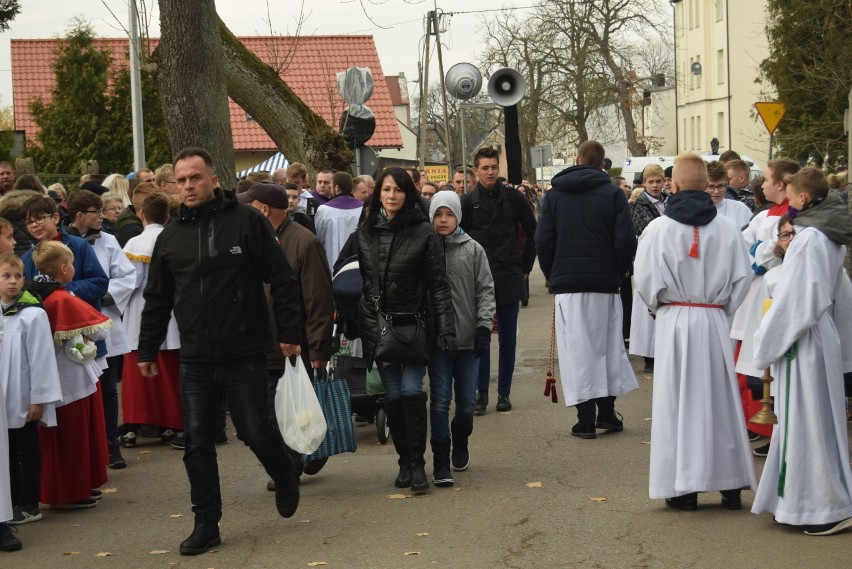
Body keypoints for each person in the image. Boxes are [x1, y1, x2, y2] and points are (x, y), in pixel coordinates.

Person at [137, 147, 302, 555]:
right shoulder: (171, 237)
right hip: (195, 358)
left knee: (253, 430)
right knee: (196, 441)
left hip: (244, 351)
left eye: (196, 177)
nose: (189, 185)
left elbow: (281, 278)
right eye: (182, 180)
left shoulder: (246, 222)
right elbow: (157, 298)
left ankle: (284, 471)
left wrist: (290, 332)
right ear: (175, 186)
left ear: (213, 180)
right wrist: (147, 349)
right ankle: (206, 523)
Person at [635, 153, 756, 512]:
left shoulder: (658, 229)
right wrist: (721, 310)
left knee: (679, 404)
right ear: (706, 185)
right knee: (719, 402)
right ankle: (730, 484)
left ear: (673, 184)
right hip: (714, 320)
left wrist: (662, 308)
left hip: (675, 322)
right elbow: (742, 279)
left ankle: (683, 488)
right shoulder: (728, 228)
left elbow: (644, 280)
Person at [751, 167, 852, 535]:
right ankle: (797, 502)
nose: (788, 201)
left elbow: (798, 301)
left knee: (809, 424)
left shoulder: (810, 238)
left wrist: (764, 345)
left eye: (791, 194)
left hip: (803, 338)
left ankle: (824, 507)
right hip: (815, 335)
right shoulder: (826, 234)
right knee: (808, 421)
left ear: (804, 199)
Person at [357, 167, 455, 495]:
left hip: (415, 325)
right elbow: (351, 274)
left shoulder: (423, 232)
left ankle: (417, 465)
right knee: (393, 395)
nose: (391, 195)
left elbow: (438, 284)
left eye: (397, 190)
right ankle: (403, 461)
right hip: (380, 326)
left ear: (407, 193)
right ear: (378, 193)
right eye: (386, 190)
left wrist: (445, 328)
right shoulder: (366, 230)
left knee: (413, 391)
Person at [536, 140, 638, 439]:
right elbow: (625, 239)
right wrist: (619, 270)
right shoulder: (612, 194)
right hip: (605, 283)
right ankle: (606, 411)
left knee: (576, 352)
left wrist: (553, 273)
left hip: (569, 285)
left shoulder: (554, 196)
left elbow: (543, 240)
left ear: (577, 159)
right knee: (607, 347)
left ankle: (586, 418)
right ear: (602, 164)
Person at [241, 182, 334, 487]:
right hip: (259, 344)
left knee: (289, 411)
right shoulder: (253, 241)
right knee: (262, 417)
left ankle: (289, 469)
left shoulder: (304, 242)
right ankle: (299, 457)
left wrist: (319, 349)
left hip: (293, 346)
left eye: (250, 206)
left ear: (264, 209)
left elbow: (318, 299)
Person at [28, 241, 113, 510]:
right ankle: (69, 492)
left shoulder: (40, 294)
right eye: (73, 264)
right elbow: (99, 329)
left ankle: (76, 486)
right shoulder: (63, 298)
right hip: (70, 376)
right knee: (73, 436)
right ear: (64, 269)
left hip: (59, 373)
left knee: (66, 436)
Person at [460, 148, 536, 414]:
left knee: (507, 339)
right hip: (477, 279)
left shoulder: (514, 199)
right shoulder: (467, 203)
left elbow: (532, 230)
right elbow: (460, 239)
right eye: (485, 168)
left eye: (494, 167)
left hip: (508, 275)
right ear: (476, 171)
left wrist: (525, 266)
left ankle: (504, 392)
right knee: (481, 338)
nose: (490, 172)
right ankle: (481, 394)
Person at [427, 191, 495, 486]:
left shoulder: (473, 249)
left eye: (449, 215)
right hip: (437, 341)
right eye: (438, 215)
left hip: (468, 339)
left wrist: (483, 326)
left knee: (466, 402)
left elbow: (485, 290)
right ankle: (440, 457)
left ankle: (461, 438)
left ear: (458, 217)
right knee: (440, 400)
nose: (443, 220)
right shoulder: (424, 248)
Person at [65, 190, 137, 469]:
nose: (102, 215)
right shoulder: (62, 242)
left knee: (107, 386)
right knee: (80, 387)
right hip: (71, 324)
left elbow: (126, 275)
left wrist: (101, 296)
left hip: (102, 318)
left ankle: (111, 443)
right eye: (97, 211)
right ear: (81, 215)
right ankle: (85, 447)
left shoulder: (108, 241)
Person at [733, 158, 800, 453]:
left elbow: (775, 252)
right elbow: (744, 244)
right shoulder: (765, 214)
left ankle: (772, 430)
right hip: (754, 291)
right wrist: (757, 251)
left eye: (768, 179)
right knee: (748, 362)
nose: (762, 184)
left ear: (782, 185)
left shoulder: (792, 215)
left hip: (774, 291)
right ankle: (755, 423)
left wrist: (759, 251)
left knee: (769, 363)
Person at [0, 251, 62, 529]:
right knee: (7, 452)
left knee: (26, 449)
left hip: (24, 397)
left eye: (17, 276)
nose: (13, 282)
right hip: (2, 399)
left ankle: (29, 502)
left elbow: (42, 358)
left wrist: (39, 399)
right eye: (6, 276)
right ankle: (10, 501)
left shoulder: (32, 314)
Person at [120, 193, 183, 450]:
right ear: (168, 216)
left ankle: (134, 425)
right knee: (168, 371)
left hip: (138, 312)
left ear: (141, 214)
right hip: (170, 313)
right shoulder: (174, 239)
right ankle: (171, 422)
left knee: (137, 373)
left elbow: (128, 283)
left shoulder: (133, 244)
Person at [629, 164, 667, 372]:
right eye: (651, 182)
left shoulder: (668, 201)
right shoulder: (639, 205)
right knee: (646, 308)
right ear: (644, 183)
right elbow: (647, 231)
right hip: (649, 260)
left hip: (667, 261)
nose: (655, 185)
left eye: (658, 181)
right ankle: (648, 356)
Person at [315, 172, 363, 270]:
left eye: (331, 187)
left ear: (336, 188)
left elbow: (319, 239)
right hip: (358, 261)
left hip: (332, 262)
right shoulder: (363, 208)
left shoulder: (324, 210)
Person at [706, 161, 751, 228]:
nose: (716, 191)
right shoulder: (696, 210)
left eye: (720, 186)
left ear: (726, 185)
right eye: (711, 187)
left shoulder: (740, 209)